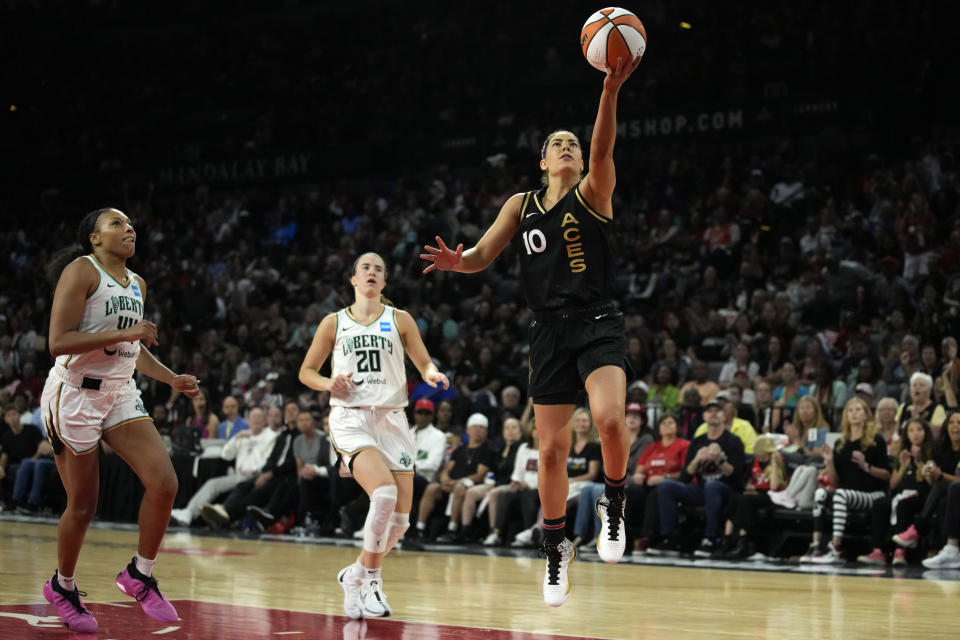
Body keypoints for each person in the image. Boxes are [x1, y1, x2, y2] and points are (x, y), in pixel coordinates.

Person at [420, 54, 642, 606]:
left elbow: (602, 148)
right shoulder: (520, 206)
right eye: (557, 144)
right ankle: (556, 545)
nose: (568, 148)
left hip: (597, 322)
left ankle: (613, 504)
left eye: (572, 142)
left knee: (611, 420)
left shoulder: (594, 192)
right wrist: (458, 261)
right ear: (541, 161)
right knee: (549, 453)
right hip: (547, 332)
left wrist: (610, 91)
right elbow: (479, 257)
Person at [39, 209, 200, 633]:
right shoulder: (81, 271)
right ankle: (63, 585)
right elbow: (58, 342)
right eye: (116, 224)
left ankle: (140, 575)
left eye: (130, 224)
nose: (128, 229)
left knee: (165, 483)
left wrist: (171, 377)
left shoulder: (138, 283)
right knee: (84, 504)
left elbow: (133, 351)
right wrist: (124, 335)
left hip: (119, 392)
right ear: (94, 238)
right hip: (73, 393)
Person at [299, 252, 449, 619]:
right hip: (351, 419)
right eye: (365, 267)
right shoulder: (333, 323)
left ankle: (355, 574)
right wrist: (328, 382)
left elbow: (423, 360)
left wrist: (430, 374)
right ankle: (372, 581)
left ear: (384, 282)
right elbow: (306, 371)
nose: (371, 272)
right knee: (383, 495)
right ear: (353, 279)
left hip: (393, 420)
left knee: (400, 522)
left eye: (378, 269)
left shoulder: (400, 319)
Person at [800, 397, 891, 564]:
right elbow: (836, 480)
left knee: (840, 495)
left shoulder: (876, 440)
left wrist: (866, 466)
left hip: (873, 494)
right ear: (846, 416)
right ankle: (816, 544)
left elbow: (887, 475)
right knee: (821, 493)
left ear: (866, 415)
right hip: (848, 493)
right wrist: (829, 463)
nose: (854, 414)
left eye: (858, 410)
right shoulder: (840, 443)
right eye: (850, 410)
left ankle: (836, 548)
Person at [652, 396, 746, 557]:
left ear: (725, 416)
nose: (713, 414)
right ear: (704, 417)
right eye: (709, 411)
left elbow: (738, 477)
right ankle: (671, 538)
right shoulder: (697, 442)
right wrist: (696, 460)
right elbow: (684, 478)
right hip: (702, 490)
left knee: (712, 486)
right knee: (666, 486)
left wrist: (720, 460)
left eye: (718, 411)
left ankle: (711, 539)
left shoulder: (734, 441)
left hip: (727, 491)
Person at [169, 406, 277, 527]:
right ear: (248, 421)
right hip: (239, 476)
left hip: (255, 476)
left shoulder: (271, 436)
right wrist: (236, 438)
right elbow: (226, 455)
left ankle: (219, 515)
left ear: (265, 421)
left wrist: (255, 470)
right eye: (253, 417)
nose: (256, 420)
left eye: (259, 417)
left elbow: (270, 459)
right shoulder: (243, 436)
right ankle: (188, 513)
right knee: (212, 484)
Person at [858, 418, 936, 566]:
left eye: (919, 430)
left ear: (926, 433)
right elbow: (893, 484)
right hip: (902, 493)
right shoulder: (903, 454)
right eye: (911, 430)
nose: (915, 434)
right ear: (906, 434)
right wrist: (903, 467)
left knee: (903, 504)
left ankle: (901, 551)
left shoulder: (932, 453)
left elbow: (932, 484)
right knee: (880, 503)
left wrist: (920, 463)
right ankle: (878, 551)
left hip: (922, 496)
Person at [416, 412, 494, 542]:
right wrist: (445, 479)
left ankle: (452, 529)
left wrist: (456, 482)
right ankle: (420, 528)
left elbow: (480, 475)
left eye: (482, 428)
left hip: (469, 484)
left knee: (459, 487)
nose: (478, 430)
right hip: (452, 483)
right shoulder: (459, 450)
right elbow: (446, 469)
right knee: (432, 487)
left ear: (486, 431)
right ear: (468, 430)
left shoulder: (487, 450)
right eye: (475, 427)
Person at [627, 413, 690, 553]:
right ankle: (626, 536)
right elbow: (640, 470)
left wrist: (665, 477)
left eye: (670, 423)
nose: (667, 426)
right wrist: (639, 476)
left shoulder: (684, 445)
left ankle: (647, 537)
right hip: (648, 484)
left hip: (672, 486)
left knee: (656, 493)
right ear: (659, 429)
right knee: (630, 492)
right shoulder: (652, 447)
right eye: (664, 423)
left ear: (677, 427)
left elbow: (686, 473)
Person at [718, 435, 786, 558]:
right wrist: (748, 487)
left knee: (745, 500)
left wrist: (775, 463)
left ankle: (743, 542)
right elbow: (745, 481)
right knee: (735, 498)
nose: (759, 458)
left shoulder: (777, 461)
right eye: (758, 455)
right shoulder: (754, 462)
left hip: (771, 496)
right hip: (755, 493)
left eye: (762, 455)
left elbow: (774, 487)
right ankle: (727, 539)